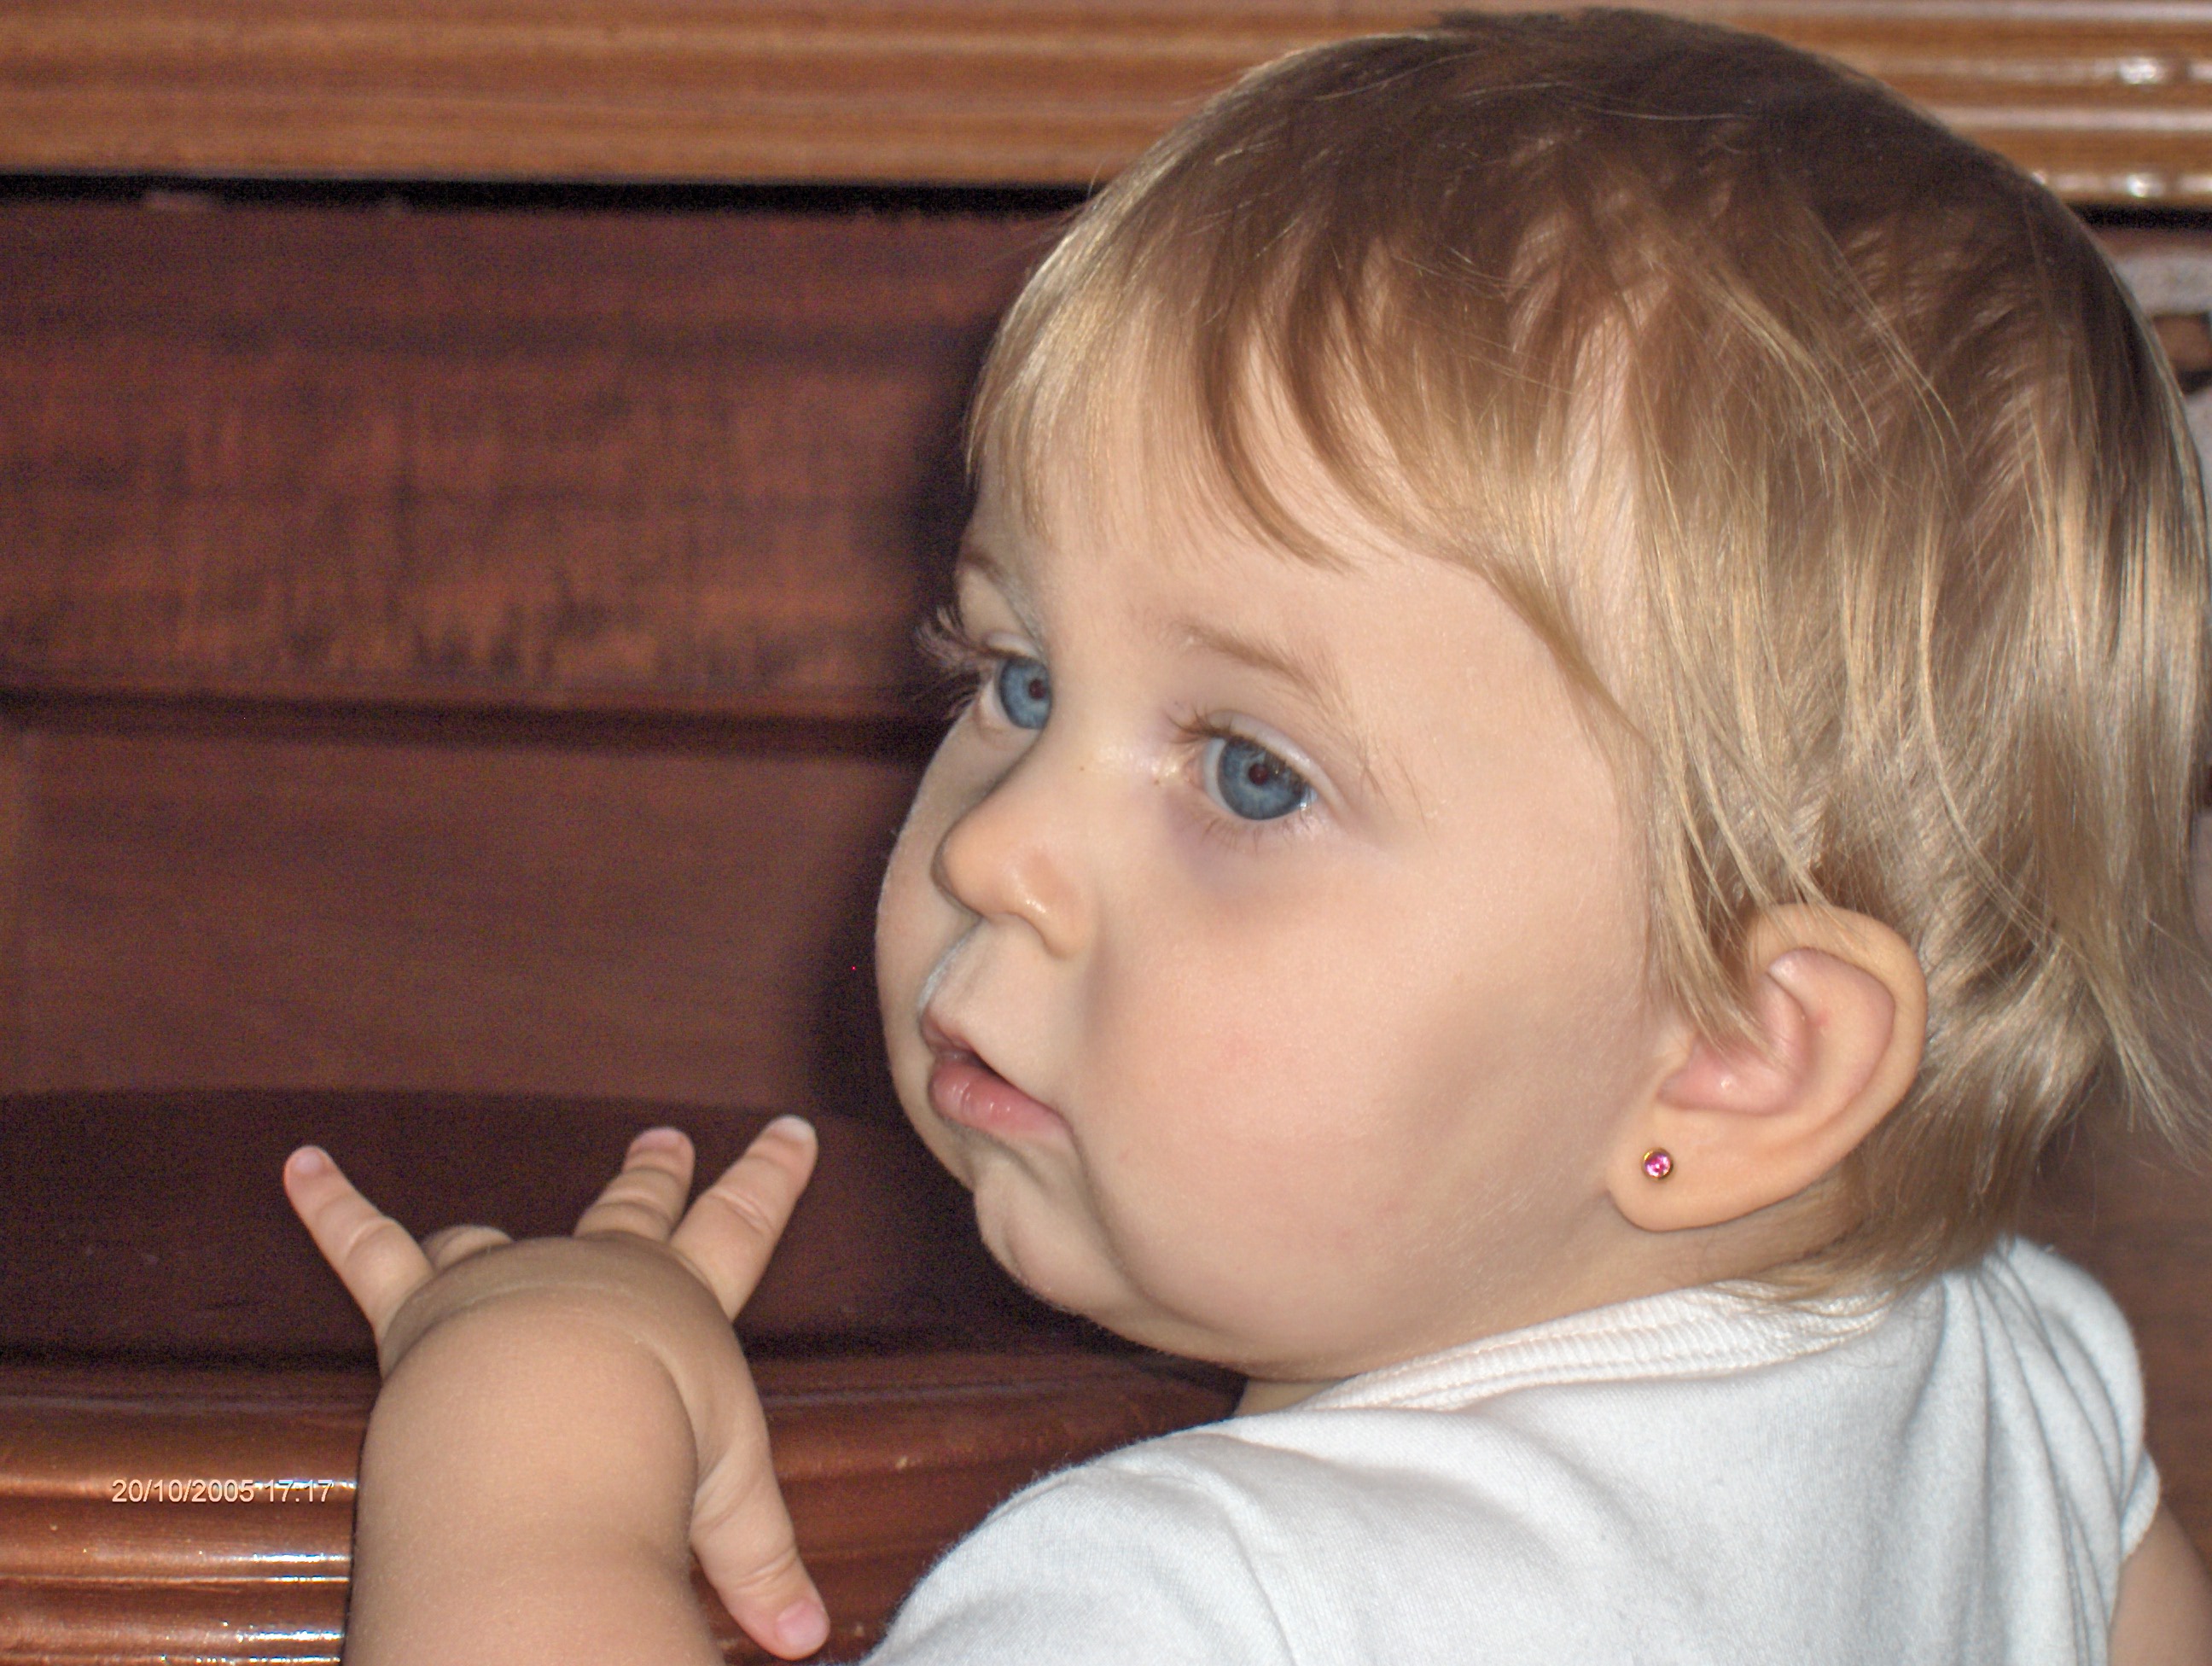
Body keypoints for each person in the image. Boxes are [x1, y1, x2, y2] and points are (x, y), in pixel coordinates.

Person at [283, 10, 2212, 1661]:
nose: (995, 850)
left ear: (1734, 1055)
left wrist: (523, 1438)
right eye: (1019, 678)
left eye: (1253, 775)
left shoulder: (1208, 1606)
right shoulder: (2026, 1391)